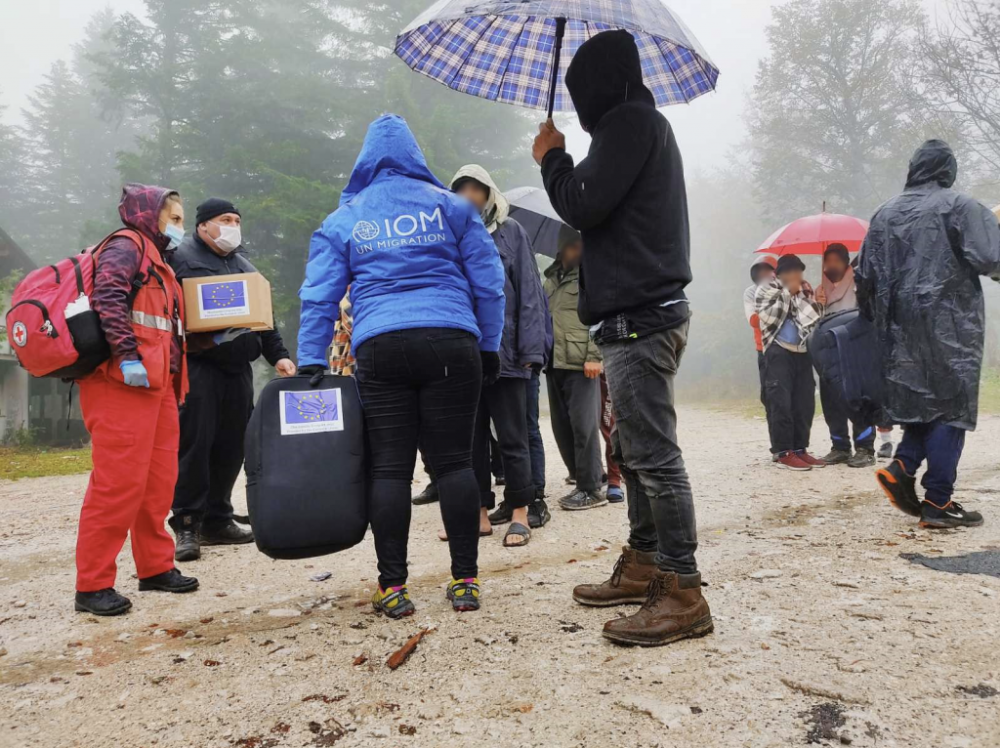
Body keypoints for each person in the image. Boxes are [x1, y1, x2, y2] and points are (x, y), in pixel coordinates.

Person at [533, 29, 712, 647]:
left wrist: (552, 158)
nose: (578, 101)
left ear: (601, 85)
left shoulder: (633, 123)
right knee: (634, 451)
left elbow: (582, 203)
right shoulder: (630, 130)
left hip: (642, 315)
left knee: (654, 455)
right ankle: (643, 562)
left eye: (581, 87)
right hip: (628, 317)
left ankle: (683, 589)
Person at [297, 114, 505, 617]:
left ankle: (393, 588)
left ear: (365, 160)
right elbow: (488, 281)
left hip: (381, 344)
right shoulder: (452, 207)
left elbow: (319, 296)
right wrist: (489, 346)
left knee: (389, 467)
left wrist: (309, 358)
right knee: (454, 463)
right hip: (452, 340)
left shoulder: (346, 218)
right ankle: (465, 582)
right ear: (415, 155)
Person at [859, 139, 1000, 529]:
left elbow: (864, 277)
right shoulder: (960, 206)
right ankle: (938, 501)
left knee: (922, 405)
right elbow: (992, 259)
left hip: (898, 332)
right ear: (948, 170)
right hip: (951, 326)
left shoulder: (883, 214)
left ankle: (903, 466)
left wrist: (878, 323)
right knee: (950, 411)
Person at [75, 184, 198, 616]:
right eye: (176, 219)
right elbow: (108, 297)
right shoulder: (126, 245)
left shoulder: (157, 257)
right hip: (121, 382)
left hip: (157, 385)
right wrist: (127, 357)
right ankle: (91, 585)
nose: (181, 228)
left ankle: (154, 568)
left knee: (158, 481)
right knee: (118, 483)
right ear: (150, 214)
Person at [168, 198, 296, 562]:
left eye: (237, 220)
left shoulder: (244, 266)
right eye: (225, 219)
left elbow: (264, 317)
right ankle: (187, 522)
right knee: (195, 445)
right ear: (203, 224)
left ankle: (218, 518)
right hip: (199, 365)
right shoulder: (178, 259)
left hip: (238, 369)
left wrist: (280, 355)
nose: (233, 226)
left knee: (232, 445)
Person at [450, 165, 549, 545]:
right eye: (461, 190)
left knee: (513, 437)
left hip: (507, 355)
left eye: (476, 189)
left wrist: (531, 351)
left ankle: (521, 512)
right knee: (471, 440)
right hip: (464, 357)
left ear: (489, 193)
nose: (470, 196)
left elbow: (529, 294)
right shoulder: (449, 238)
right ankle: (479, 513)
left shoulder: (512, 233)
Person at [544, 226, 606, 511]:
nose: (578, 250)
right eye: (573, 245)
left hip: (583, 362)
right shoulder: (550, 281)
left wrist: (594, 355)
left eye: (581, 245)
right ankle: (584, 474)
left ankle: (591, 489)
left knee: (584, 427)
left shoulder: (591, 275)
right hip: (553, 361)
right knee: (562, 427)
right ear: (562, 247)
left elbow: (600, 315)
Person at [756, 254, 825, 471]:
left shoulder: (805, 289)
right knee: (781, 402)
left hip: (801, 350)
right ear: (780, 274)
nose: (796, 275)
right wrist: (787, 293)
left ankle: (800, 449)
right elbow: (766, 317)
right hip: (777, 351)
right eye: (790, 271)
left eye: (798, 271)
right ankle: (783, 452)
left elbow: (809, 320)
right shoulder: (766, 289)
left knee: (804, 403)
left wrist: (819, 304)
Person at [813, 243, 875, 468]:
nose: (831, 266)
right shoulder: (820, 289)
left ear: (846, 262)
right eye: (827, 261)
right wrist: (816, 303)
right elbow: (815, 323)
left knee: (860, 399)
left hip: (855, 350)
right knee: (830, 400)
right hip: (829, 352)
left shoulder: (859, 283)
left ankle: (865, 448)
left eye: (836, 261)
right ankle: (839, 447)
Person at [743, 255, 777, 407]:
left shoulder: (786, 288)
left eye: (767, 271)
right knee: (768, 392)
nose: (764, 276)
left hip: (787, 347)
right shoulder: (751, 293)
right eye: (760, 272)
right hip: (764, 348)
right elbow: (754, 321)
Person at [598, 373, 624, 503]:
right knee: (583, 428)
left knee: (609, 426)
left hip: (607, 369)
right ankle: (598, 471)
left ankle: (614, 479)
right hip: (577, 371)